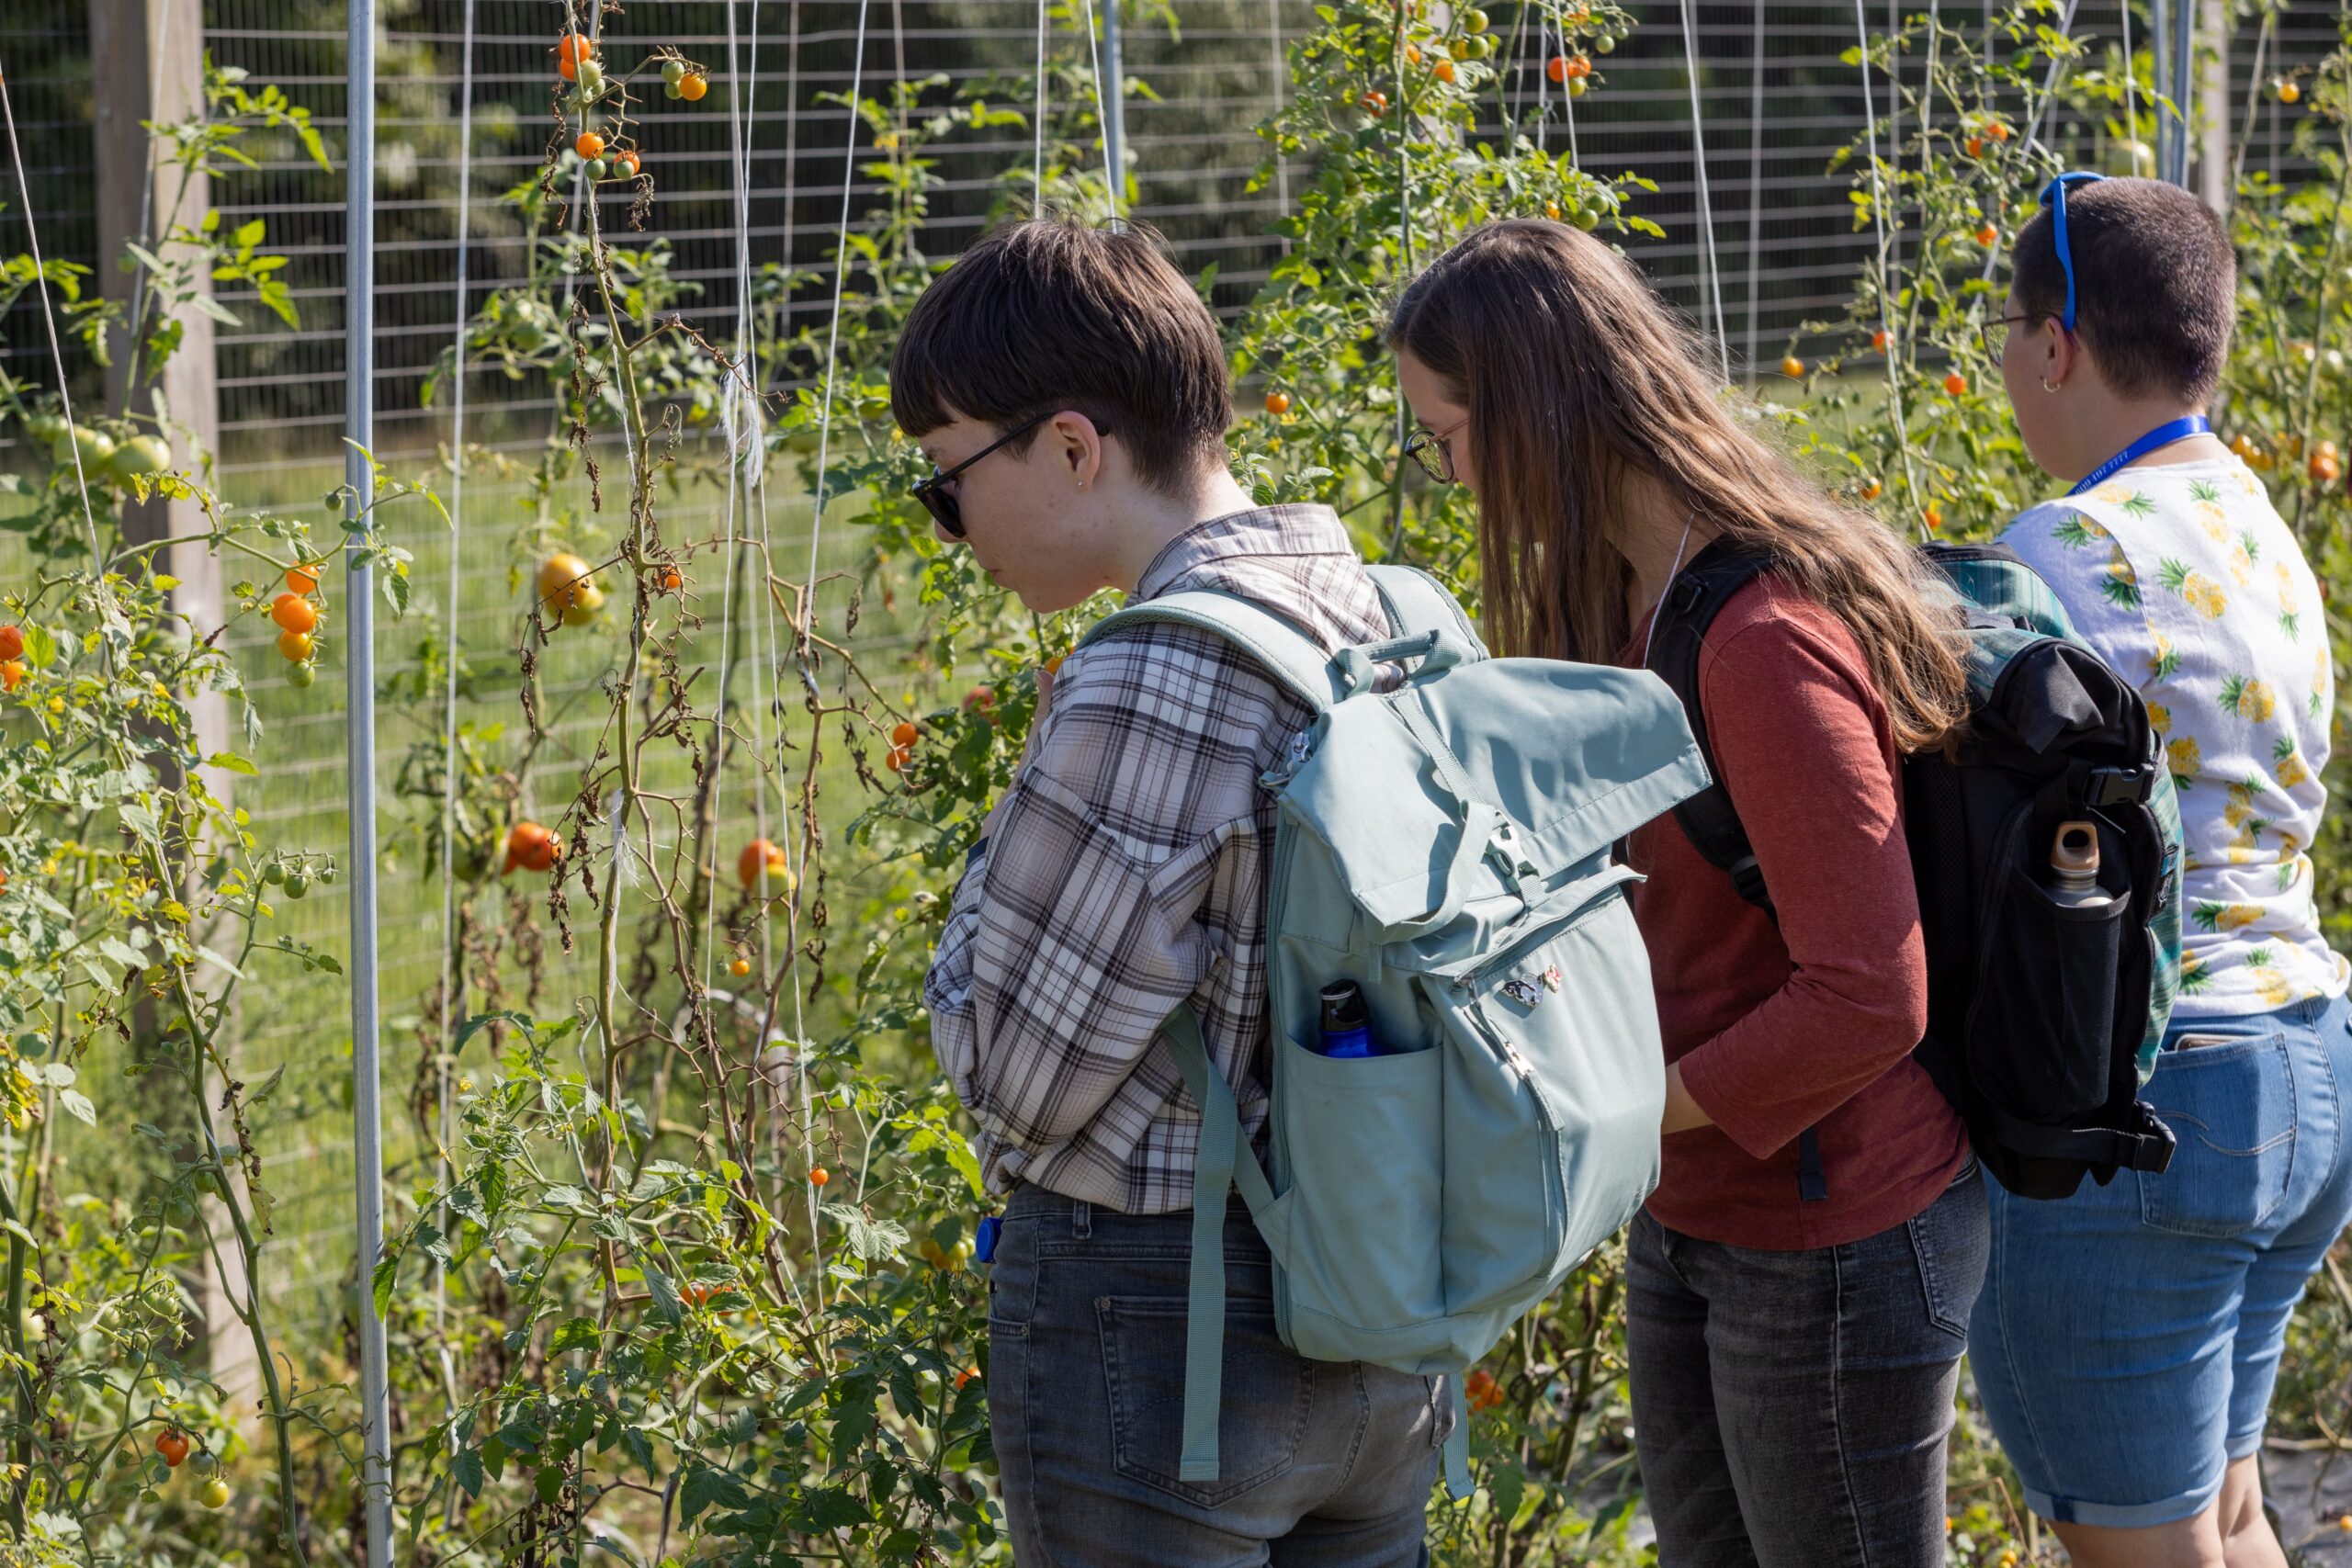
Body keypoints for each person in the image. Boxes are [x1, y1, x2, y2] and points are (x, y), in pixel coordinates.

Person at [1388, 219, 1985, 1567]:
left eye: (1447, 436)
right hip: (1694, 1205)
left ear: (1534, 411)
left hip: (1832, 1232)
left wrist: (1618, 1111)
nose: (1446, 474)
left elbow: (1867, 995)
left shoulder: (1762, 643)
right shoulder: (1622, 604)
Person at [905, 219, 1450, 1565]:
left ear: (1075, 447)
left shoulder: (1160, 670)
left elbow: (1013, 1075)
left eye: (948, 477)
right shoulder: (1382, 609)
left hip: (1174, 1329)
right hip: (1384, 1296)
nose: (950, 522)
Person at [1969, 174, 2352, 1568]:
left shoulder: (2057, 555)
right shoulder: (2261, 524)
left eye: (2013, 327)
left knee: (2144, 1550)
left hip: (2145, 1102)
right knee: (2230, 1517)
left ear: (2057, 344)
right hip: (2307, 1059)